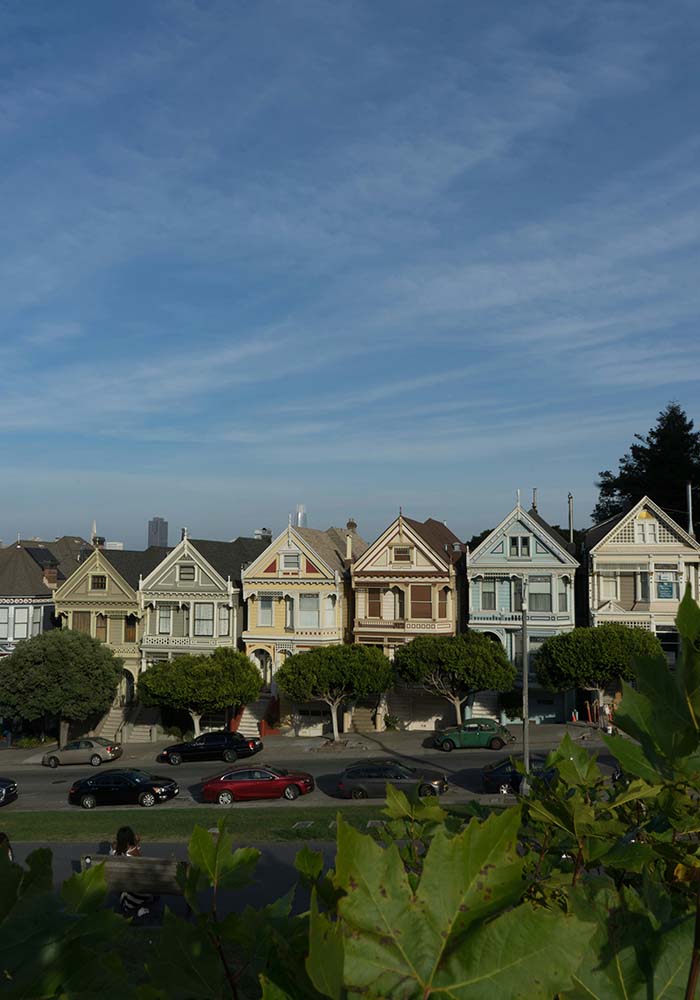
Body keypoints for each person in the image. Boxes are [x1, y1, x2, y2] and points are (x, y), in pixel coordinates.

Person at [110, 826, 153, 918]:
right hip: (139, 892)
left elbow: (115, 846)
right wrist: (136, 842)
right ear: (131, 839)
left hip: (124, 891)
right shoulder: (136, 854)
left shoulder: (114, 853)